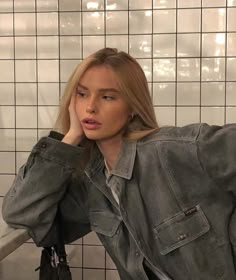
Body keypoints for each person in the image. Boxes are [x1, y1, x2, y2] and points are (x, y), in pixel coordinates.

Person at [2, 47, 236, 280]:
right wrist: (71, 137)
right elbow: (21, 215)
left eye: (107, 97)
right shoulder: (92, 182)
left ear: (133, 106)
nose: (91, 106)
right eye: (82, 94)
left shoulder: (177, 150)